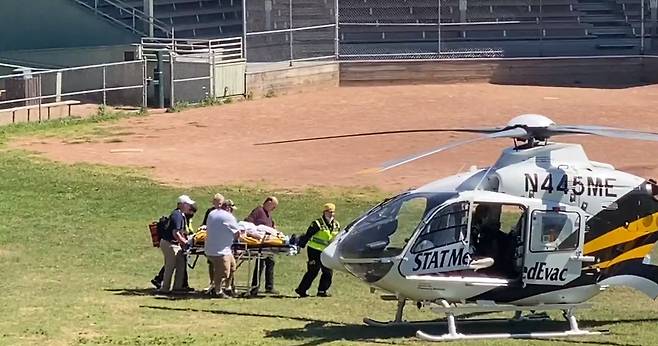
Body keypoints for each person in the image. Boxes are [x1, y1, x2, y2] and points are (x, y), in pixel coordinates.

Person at [295, 203, 341, 298]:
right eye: (329, 212)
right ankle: (301, 290)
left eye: (332, 212)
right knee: (313, 271)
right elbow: (308, 235)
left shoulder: (336, 225)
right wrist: (300, 246)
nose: (331, 214)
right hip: (314, 250)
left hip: (327, 251)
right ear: (324, 212)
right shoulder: (317, 224)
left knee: (328, 271)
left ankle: (322, 290)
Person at [151, 203, 197, 290]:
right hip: (170, 244)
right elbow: (176, 233)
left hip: (176, 244)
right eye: (189, 207)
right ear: (182, 205)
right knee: (170, 266)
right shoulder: (177, 215)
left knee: (181, 264)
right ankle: (165, 288)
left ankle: (178, 287)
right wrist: (185, 243)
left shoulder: (181, 215)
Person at [205, 199, 242, 298]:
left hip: (215, 247)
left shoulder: (212, 213)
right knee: (223, 272)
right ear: (228, 208)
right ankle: (217, 291)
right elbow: (237, 233)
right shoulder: (229, 217)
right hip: (220, 250)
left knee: (233, 267)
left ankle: (228, 288)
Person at [245, 196, 279, 296]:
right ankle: (254, 287)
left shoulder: (268, 214)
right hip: (260, 243)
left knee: (270, 262)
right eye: (273, 206)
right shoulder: (258, 211)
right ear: (268, 202)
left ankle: (269, 286)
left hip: (268, 242)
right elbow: (248, 222)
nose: (274, 209)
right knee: (260, 264)